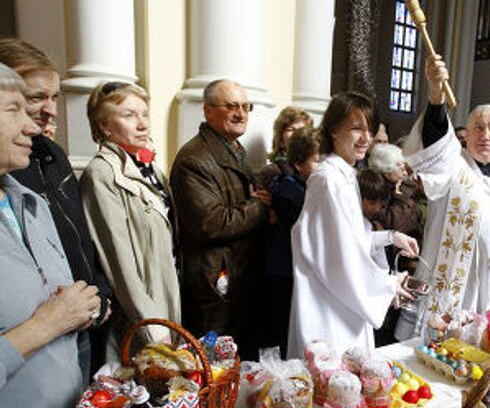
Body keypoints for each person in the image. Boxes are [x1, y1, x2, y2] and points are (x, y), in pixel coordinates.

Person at [0, 62, 101, 408]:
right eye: (14, 109)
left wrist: (84, 309)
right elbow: (48, 318)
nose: (32, 124)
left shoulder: (27, 202)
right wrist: (47, 324)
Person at [398, 55, 490, 334]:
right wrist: (436, 96)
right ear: (465, 133)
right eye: (478, 127)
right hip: (454, 289)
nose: (485, 135)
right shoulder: (451, 163)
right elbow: (434, 141)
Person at [0, 37, 112, 376]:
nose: (50, 109)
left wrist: (99, 291)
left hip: (78, 319)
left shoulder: (52, 156)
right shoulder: (15, 168)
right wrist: (47, 323)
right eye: (34, 99)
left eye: (54, 97)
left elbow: (78, 236)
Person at [287, 92, 418, 358]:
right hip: (328, 306)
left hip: (342, 299)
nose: (365, 139)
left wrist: (391, 237)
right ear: (334, 129)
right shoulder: (328, 181)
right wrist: (388, 284)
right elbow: (339, 256)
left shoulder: (345, 174)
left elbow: (347, 238)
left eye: (369, 130)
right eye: (357, 128)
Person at [80, 82, 178, 360]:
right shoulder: (101, 174)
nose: (142, 123)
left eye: (144, 114)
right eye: (129, 115)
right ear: (104, 126)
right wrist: (151, 325)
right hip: (138, 313)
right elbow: (118, 259)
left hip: (162, 294)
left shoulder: (150, 169)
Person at [170, 80, 268, 358]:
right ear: (208, 111)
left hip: (238, 276)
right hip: (214, 284)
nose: (241, 113)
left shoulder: (233, 148)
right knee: (213, 365)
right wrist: (259, 207)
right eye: (231, 106)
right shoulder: (194, 159)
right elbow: (210, 223)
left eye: (245, 106)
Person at [261, 127, 322, 356]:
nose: (323, 166)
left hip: (292, 271)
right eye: (318, 160)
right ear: (298, 164)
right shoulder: (289, 190)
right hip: (282, 273)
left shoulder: (304, 187)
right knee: (283, 334)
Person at [368, 142, 425, 247]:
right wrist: (399, 198)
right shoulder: (374, 190)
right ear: (387, 171)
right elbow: (394, 224)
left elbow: (416, 217)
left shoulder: (406, 185)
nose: (405, 173)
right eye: (401, 169)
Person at [258, 106, 313, 188]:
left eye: (302, 130)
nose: (297, 134)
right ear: (280, 139)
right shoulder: (272, 172)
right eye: (290, 129)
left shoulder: (315, 166)